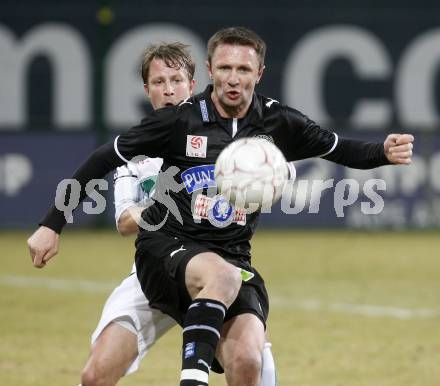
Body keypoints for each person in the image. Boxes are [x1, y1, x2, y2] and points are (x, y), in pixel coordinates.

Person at [27, 27, 413, 386]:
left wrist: (383, 151)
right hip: (165, 253)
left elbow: (339, 148)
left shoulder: (278, 122)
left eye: (243, 69)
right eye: (225, 68)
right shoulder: (179, 121)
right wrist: (51, 224)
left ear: (259, 73)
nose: (233, 78)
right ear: (210, 69)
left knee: (247, 362)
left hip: (229, 255)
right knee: (96, 376)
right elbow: (101, 160)